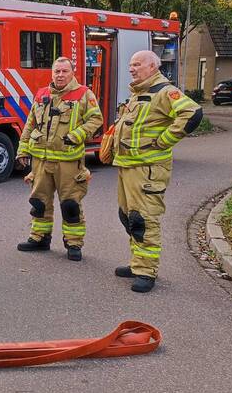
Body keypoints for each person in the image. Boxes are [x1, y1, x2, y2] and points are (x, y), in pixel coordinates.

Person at [110, 50, 202, 293]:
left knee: (143, 220)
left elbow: (192, 113)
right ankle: (138, 263)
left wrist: (164, 141)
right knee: (128, 217)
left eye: (137, 64)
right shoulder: (138, 93)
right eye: (131, 64)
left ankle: (146, 272)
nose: (132, 68)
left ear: (152, 66)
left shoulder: (163, 91)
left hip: (147, 169)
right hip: (128, 166)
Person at [15, 57, 103, 261]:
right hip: (41, 160)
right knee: (39, 203)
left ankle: (73, 244)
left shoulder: (83, 94)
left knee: (70, 205)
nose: (60, 75)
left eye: (64, 71)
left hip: (69, 162)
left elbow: (96, 119)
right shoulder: (42, 94)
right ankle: (39, 238)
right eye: (57, 71)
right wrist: (22, 150)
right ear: (52, 73)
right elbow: (30, 123)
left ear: (73, 73)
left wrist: (77, 135)